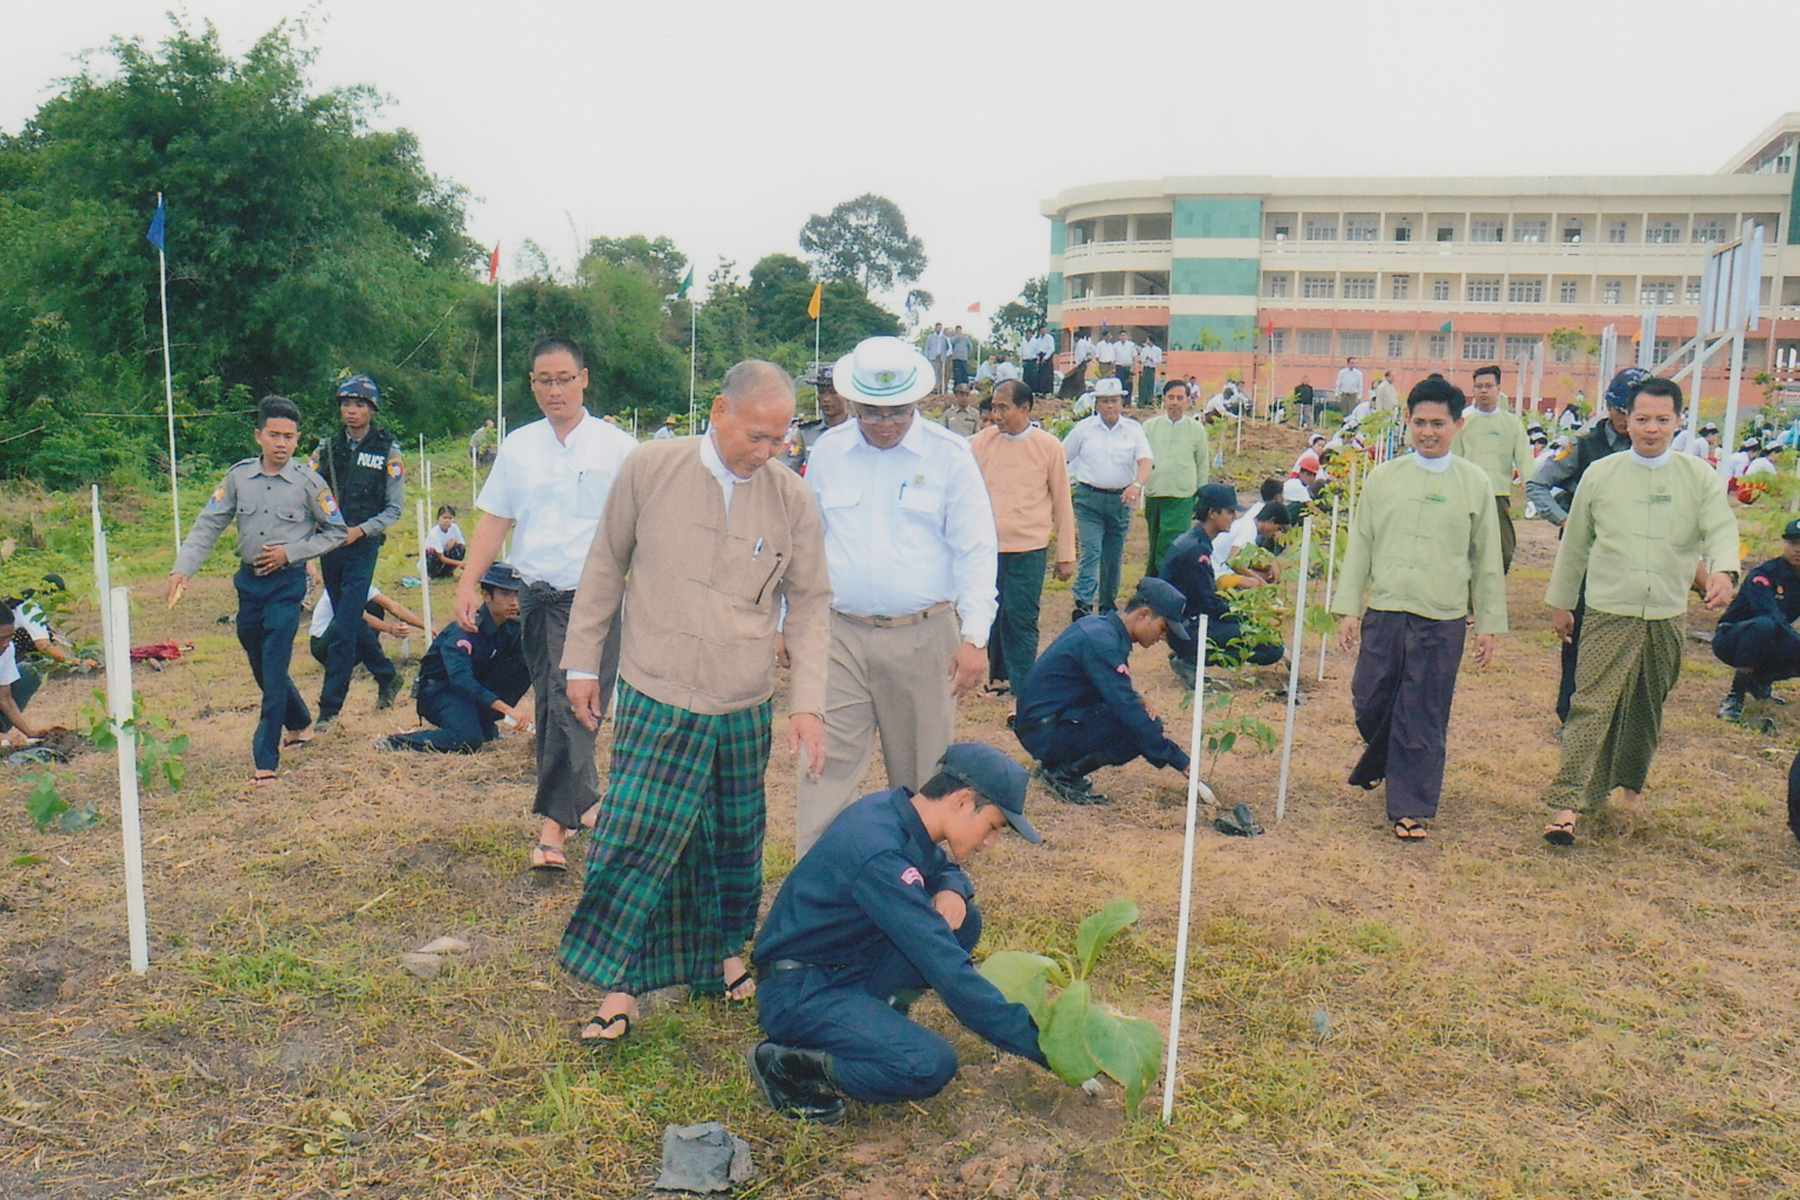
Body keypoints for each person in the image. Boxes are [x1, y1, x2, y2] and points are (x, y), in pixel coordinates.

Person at [559, 361, 832, 1042]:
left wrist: (807, 704)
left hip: (742, 699)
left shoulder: (793, 499)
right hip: (657, 687)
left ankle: (724, 954)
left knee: (733, 839)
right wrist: (583, 663)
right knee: (637, 836)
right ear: (718, 411)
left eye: (780, 440)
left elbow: (811, 603)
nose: (767, 452)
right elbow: (604, 564)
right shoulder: (650, 468)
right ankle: (620, 986)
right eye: (757, 436)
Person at [750, 744, 1046, 1123]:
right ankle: (790, 1063)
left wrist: (952, 887)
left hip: (842, 965)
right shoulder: (880, 855)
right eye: (993, 827)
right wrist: (1042, 1045)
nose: (991, 843)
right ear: (962, 801)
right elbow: (948, 971)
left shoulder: (894, 813)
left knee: (962, 918)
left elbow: (938, 866)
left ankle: (878, 1017)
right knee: (927, 1064)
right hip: (799, 993)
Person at [797, 337, 998, 855]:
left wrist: (975, 636)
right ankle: (819, 882)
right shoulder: (829, 453)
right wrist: (786, 624)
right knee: (823, 765)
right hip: (839, 634)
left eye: (897, 411)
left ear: (917, 402)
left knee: (922, 776)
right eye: (871, 411)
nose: (885, 423)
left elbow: (976, 548)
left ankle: (915, 879)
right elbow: (806, 544)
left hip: (923, 636)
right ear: (853, 403)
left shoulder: (950, 456)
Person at [453, 335, 639, 872]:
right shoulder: (519, 447)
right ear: (532, 384)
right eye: (544, 381)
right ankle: (587, 803)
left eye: (564, 379)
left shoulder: (617, 447)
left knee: (574, 705)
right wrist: (468, 582)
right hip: (537, 597)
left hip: (595, 599)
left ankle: (554, 826)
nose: (555, 390)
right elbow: (496, 519)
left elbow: (646, 521)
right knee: (557, 704)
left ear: (584, 379)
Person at [1542, 376, 1738, 846]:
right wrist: (1561, 602)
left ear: (1678, 422)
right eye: (1643, 418)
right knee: (1591, 705)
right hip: (1608, 609)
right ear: (1626, 420)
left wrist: (1724, 572)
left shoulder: (1698, 476)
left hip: (1666, 613)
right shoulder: (1601, 474)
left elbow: (1721, 528)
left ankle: (1629, 790)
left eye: (1662, 420)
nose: (1652, 429)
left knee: (1647, 706)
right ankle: (1568, 805)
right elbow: (1576, 544)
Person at [1331, 377, 1507, 841]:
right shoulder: (1384, 477)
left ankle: (1410, 807)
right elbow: (1361, 546)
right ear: (1407, 422)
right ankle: (1385, 758)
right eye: (1420, 423)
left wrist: (1488, 624)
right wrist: (1349, 609)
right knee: (1369, 698)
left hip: (1442, 616)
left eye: (1439, 424)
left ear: (1458, 426)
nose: (1428, 432)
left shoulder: (1474, 483)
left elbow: (1486, 560)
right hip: (1386, 609)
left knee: (1423, 711)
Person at [167, 395, 347, 782]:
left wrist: (291, 553)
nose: (281, 444)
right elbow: (208, 524)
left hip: (287, 584)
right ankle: (299, 721)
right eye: (273, 435)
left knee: (275, 664)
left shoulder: (309, 483)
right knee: (258, 657)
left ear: (298, 440)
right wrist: (183, 570)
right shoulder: (238, 478)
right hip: (249, 584)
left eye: (289, 437)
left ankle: (265, 759)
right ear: (258, 436)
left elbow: (337, 531)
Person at [1526, 367, 1644, 724]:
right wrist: (1566, 520)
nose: (1628, 419)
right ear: (1609, 406)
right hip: (1585, 557)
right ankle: (1570, 714)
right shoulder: (1582, 446)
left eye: (1635, 412)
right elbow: (1537, 485)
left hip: (1632, 558)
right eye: (1622, 411)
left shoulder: (1653, 451)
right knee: (1576, 637)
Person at [1013, 578, 1192, 805]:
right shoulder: (1103, 644)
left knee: (1137, 720)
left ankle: (1058, 766)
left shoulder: (1100, 627)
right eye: (1163, 628)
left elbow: (1106, 689)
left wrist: (1137, 698)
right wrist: (1178, 759)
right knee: (1137, 727)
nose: (1163, 638)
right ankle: (1061, 775)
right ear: (1144, 615)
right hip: (1044, 732)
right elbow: (1128, 711)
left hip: (1042, 722)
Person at [968, 380, 1076, 705]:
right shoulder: (981, 443)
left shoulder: (1048, 446)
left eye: (1003, 408)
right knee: (991, 613)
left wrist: (1066, 554)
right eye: (993, 408)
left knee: (1020, 617)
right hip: (987, 548)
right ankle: (998, 678)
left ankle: (1025, 687)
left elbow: (1062, 502)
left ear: (1025, 409)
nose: (996, 415)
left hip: (1029, 548)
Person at [309, 374, 403, 729]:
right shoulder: (326, 449)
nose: (352, 411)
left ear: (371, 409)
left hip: (363, 548)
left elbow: (394, 509)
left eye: (360, 404)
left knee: (345, 629)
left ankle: (328, 710)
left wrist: (360, 531)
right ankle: (387, 675)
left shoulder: (388, 450)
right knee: (348, 618)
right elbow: (307, 490)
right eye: (347, 404)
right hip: (329, 546)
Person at [382, 562, 532, 753]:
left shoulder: (512, 626)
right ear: (486, 596)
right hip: (440, 690)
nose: (514, 602)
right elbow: (461, 680)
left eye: (517, 594)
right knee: (467, 739)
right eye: (505, 594)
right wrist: (508, 710)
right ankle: (397, 742)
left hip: (473, 689)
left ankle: (482, 720)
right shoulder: (466, 628)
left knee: (526, 662)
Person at [1160, 484, 1285, 686]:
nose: (1233, 517)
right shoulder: (1196, 551)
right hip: (1187, 627)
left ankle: (1190, 655)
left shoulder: (1195, 541)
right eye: (1229, 512)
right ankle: (1190, 658)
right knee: (1271, 646)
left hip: (1185, 623)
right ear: (1212, 513)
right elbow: (1210, 604)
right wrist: (1254, 619)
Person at [1062, 377, 1153, 620]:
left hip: (1120, 501)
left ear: (1122, 402)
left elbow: (1146, 461)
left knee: (1112, 557)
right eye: (1104, 401)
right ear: (1096, 403)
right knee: (1091, 551)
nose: (1110, 406)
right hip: (1089, 500)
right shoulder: (1084, 429)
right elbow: (1061, 457)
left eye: (1114, 400)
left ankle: (1107, 606)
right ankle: (1083, 603)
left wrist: (1137, 485)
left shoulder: (1133, 430)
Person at [1451, 364, 1535, 573]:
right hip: (1468, 495)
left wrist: (1532, 488)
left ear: (1498, 389)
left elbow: (1524, 458)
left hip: (1498, 494)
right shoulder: (1463, 422)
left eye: (1489, 386)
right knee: (1467, 547)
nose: (1484, 391)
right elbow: (1453, 458)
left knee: (1503, 547)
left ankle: (1494, 583)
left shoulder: (1512, 424)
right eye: (1479, 386)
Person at [1713, 520, 1800, 722]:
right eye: (1793, 543)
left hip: (1774, 637)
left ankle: (1760, 680)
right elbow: (1770, 615)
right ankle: (1735, 698)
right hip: (1732, 639)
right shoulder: (1765, 574)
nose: (1798, 550)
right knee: (1764, 626)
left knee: (1773, 632)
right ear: (1784, 544)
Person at [305, 579, 421, 709]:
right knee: (352, 618)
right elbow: (359, 616)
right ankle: (387, 676)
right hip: (322, 645)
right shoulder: (338, 588)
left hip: (344, 642)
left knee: (374, 607)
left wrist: (426, 626)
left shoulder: (360, 584)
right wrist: (390, 629)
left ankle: (387, 678)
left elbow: (392, 606)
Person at [1141, 380, 1210, 575]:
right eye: (1171, 397)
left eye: (1180, 398)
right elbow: (1140, 458)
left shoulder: (1196, 429)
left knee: (1170, 543)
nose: (1175, 403)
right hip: (1154, 492)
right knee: (1155, 542)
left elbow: (1202, 464)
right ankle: (1153, 582)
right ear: (1163, 400)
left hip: (1182, 496)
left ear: (1188, 401)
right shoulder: (1149, 427)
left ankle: (1167, 582)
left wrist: (1201, 496)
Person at [780, 364, 852, 472]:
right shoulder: (806, 434)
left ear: (847, 395)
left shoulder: (861, 431)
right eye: (822, 392)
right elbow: (784, 469)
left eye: (833, 392)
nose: (826, 399)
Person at [0, 603, 52, 748]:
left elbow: (5, 699)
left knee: (28, 673)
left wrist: (30, 733)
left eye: (9, 638)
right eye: (2, 638)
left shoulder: (7, 649)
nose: (6, 644)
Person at [424, 505, 466, 579]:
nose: (447, 521)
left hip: (445, 554)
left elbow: (462, 544)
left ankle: (448, 572)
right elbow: (441, 558)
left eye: (450, 518)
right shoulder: (434, 534)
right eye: (444, 518)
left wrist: (454, 541)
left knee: (459, 548)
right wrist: (459, 563)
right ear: (438, 518)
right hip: (433, 560)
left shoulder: (455, 528)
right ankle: (435, 575)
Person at [1059, 331, 1095, 400]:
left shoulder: (1080, 344)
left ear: (1076, 338)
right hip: (1082, 364)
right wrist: (1088, 357)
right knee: (1078, 380)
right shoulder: (1085, 343)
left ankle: (1081, 395)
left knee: (1079, 380)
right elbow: (1093, 349)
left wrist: (1077, 365)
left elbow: (1080, 355)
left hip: (1080, 364)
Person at [925, 323, 951, 394]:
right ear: (935, 328)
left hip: (941, 358)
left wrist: (945, 354)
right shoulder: (931, 337)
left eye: (940, 328)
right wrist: (927, 357)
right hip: (933, 357)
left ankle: (940, 389)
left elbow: (948, 347)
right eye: (938, 328)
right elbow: (927, 348)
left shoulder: (944, 338)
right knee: (934, 373)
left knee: (941, 374)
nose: (939, 329)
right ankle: (934, 388)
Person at [1137, 338, 1163, 406]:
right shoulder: (1144, 349)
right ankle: (1143, 401)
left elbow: (1159, 360)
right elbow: (1141, 359)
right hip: (1145, 367)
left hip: (1152, 368)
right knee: (1144, 384)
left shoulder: (1157, 349)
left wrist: (1152, 359)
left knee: (1150, 384)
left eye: (1148, 340)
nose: (1147, 341)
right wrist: (1146, 358)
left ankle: (1149, 401)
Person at [1113, 331, 1137, 401]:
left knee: (1128, 384)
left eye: (1124, 335)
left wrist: (1134, 366)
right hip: (1119, 367)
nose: (1123, 337)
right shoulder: (1115, 345)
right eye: (1122, 335)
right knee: (1120, 384)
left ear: (1127, 336)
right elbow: (1113, 357)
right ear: (1119, 336)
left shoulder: (1131, 345)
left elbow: (1134, 356)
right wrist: (1113, 368)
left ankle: (1128, 401)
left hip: (1128, 367)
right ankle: (1120, 401)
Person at [949, 325, 972, 389]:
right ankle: (956, 386)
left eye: (959, 330)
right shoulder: (953, 337)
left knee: (964, 372)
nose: (958, 331)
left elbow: (970, 346)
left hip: (963, 358)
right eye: (957, 330)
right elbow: (953, 342)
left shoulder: (965, 338)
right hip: (956, 358)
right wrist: (958, 337)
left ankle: (965, 386)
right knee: (957, 373)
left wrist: (967, 354)